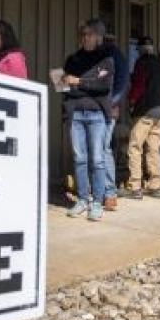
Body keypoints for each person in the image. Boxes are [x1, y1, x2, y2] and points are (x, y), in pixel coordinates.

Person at [63, 19, 114, 221]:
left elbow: (103, 86)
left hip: (96, 115)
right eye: (83, 34)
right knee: (79, 159)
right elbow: (65, 86)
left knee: (98, 159)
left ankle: (97, 202)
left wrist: (79, 81)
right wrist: (75, 85)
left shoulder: (105, 59)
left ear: (99, 37)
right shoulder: (73, 59)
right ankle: (83, 199)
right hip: (76, 114)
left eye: (90, 34)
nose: (85, 37)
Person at [126, 43, 160, 199]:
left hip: (144, 110)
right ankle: (155, 185)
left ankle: (135, 186)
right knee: (154, 149)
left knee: (135, 146)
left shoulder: (142, 63)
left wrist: (131, 100)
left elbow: (139, 85)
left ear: (141, 50)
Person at [102, 34, 128, 211]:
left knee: (103, 148)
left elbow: (122, 83)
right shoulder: (102, 55)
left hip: (106, 109)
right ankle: (103, 190)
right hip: (97, 108)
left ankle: (109, 192)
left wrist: (111, 103)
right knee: (102, 148)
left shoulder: (113, 55)